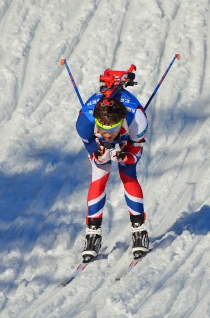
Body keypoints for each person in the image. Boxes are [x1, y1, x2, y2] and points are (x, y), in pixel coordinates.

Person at [75, 85, 149, 262]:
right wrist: (99, 156)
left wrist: (125, 157)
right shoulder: (84, 123)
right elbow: (93, 151)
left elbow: (134, 156)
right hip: (99, 139)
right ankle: (92, 234)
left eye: (111, 130)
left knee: (128, 174)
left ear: (121, 121)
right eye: (102, 129)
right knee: (99, 176)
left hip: (127, 139)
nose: (107, 135)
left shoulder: (137, 121)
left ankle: (139, 231)